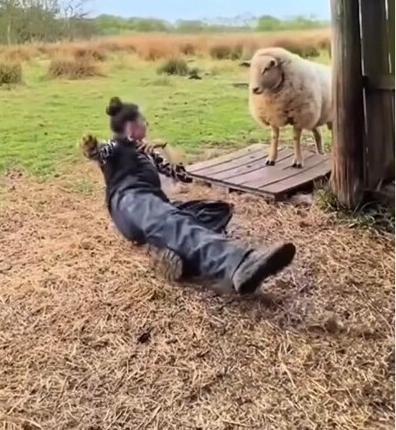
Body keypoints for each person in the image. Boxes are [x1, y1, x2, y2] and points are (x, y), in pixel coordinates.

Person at [81, 97, 296, 294]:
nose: (146, 125)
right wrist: (91, 147)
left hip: (156, 204)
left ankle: (168, 252)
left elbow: (183, 177)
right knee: (171, 219)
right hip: (130, 203)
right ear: (131, 127)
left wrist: (165, 149)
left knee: (216, 210)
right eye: (143, 121)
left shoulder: (148, 152)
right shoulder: (116, 146)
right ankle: (237, 263)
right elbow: (99, 152)